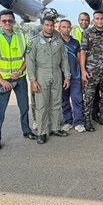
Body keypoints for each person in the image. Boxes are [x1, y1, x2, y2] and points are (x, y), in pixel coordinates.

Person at [0, 9, 36, 150]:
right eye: (4, 21)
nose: (7, 23)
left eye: (10, 20)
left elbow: (27, 57)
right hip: (3, 79)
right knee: (0, 111)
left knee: (24, 106)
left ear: (14, 22)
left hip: (19, 78)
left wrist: (20, 71)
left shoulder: (21, 36)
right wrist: (1, 80)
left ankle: (26, 130)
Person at [26, 16, 70, 144]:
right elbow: (30, 62)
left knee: (56, 102)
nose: (50, 28)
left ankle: (55, 128)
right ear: (42, 25)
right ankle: (42, 132)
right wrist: (33, 80)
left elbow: (64, 59)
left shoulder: (59, 41)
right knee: (41, 105)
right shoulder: (34, 41)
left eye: (51, 25)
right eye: (47, 25)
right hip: (41, 73)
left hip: (56, 73)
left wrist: (67, 76)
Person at [81, 11, 103, 131]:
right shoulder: (87, 33)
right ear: (93, 20)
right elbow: (83, 51)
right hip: (92, 70)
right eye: (97, 18)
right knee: (89, 97)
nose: (99, 21)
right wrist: (83, 70)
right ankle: (87, 120)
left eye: (101, 18)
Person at [59, 19, 86, 132]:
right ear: (59, 28)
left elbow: (80, 59)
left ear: (71, 28)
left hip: (75, 76)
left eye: (68, 27)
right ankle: (68, 121)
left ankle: (79, 122)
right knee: (64, 100)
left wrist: (82, 72)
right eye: (63, 27)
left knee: (77, 99)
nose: (66, 29)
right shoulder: (57, 42)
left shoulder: (75, 42)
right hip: (61, 77)